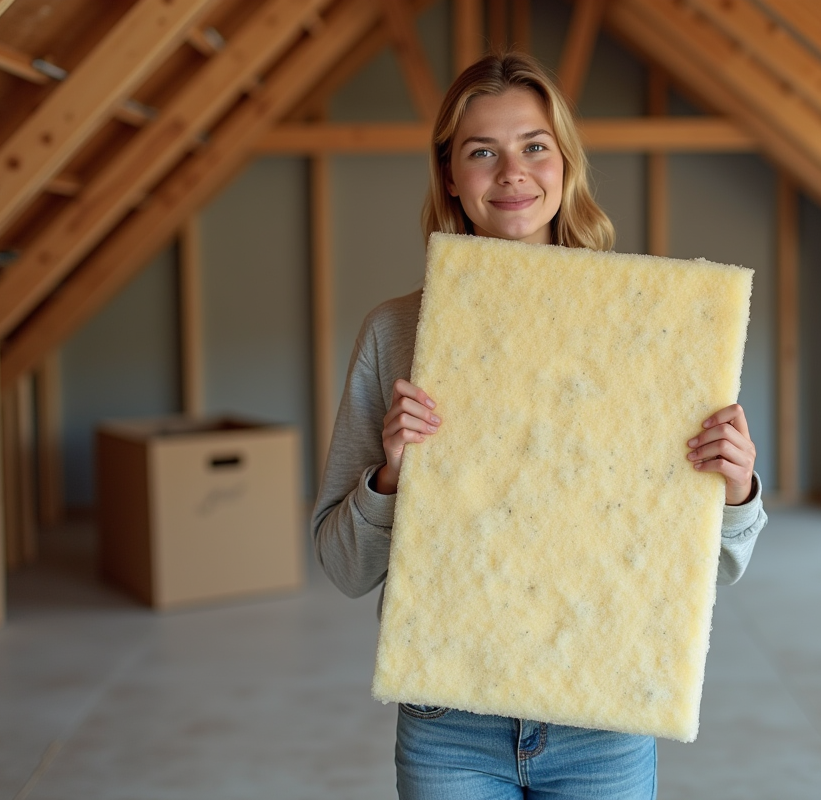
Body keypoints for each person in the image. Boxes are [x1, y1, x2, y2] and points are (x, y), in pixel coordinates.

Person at [310, 52, 767, 800]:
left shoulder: (645, 324)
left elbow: (710, 570)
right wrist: (391, 477)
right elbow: (342, 566)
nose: (511, 172)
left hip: (604, 720)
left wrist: (738, 487)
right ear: (450, 174)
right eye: (481, 151)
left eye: (534, 146)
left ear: (565, 165)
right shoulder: (397, 334)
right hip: (449, 720)